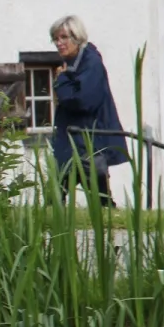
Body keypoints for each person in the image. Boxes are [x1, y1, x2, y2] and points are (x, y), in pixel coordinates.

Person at [49, 15, 129, 206]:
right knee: (55, 197)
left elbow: (83, 101)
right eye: (56, 39)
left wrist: (61, 80)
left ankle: (110, 229)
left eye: (63, 37)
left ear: (77, 38)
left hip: (88, 143)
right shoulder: (76, 63)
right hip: (73, 142)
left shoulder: (90, 63)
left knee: (99, 200)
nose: (59, 43)